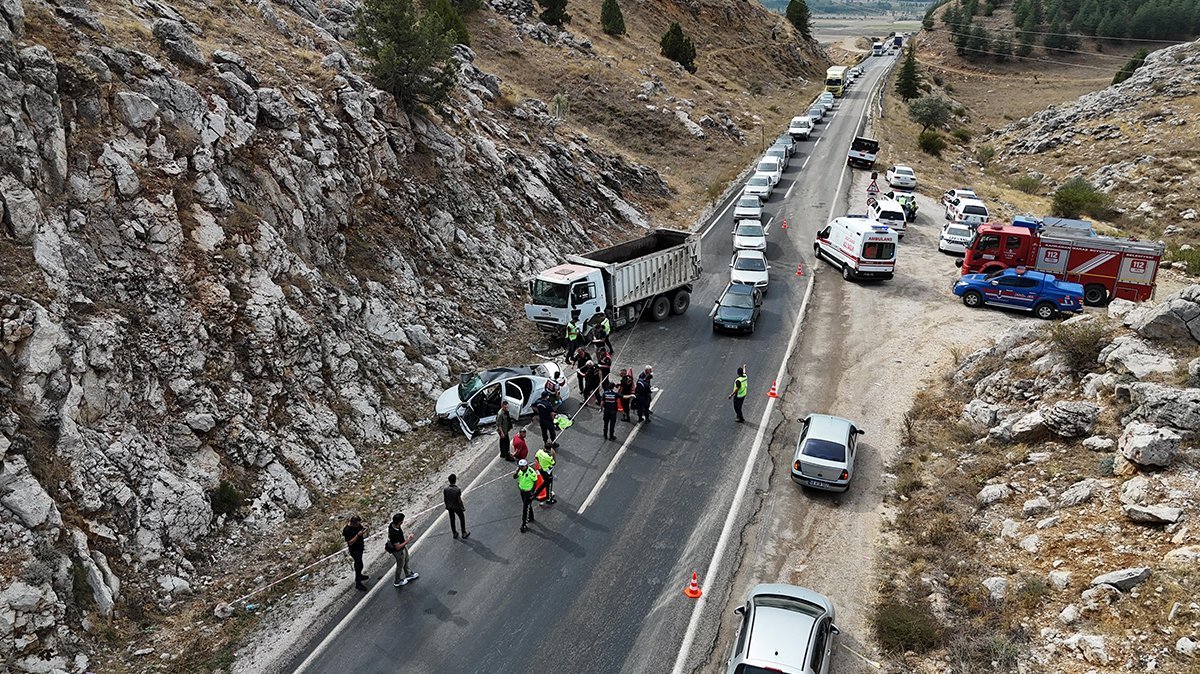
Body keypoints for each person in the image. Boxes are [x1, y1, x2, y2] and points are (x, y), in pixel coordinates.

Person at [386, 513, 418, 587]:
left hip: (402, 546)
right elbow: (397, 547)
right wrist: (408, 540)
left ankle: (408, 574)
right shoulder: (394, 534)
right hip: (398, 551)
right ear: (400, 522)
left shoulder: (393, 525)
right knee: (400, 565)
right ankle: (397, 581)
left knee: (406, 559)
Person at [342, 515, 368, 591]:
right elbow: (350, 542)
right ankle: (358, 582)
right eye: (356, 524)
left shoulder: (358, 525)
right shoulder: (347, 530)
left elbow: (360, 529)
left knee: (360, 564)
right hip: (354, 549)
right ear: (353, 523)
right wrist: (357, 535)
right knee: (358, 564)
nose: (358, 525)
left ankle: (359, 576)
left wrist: (363, 531)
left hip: (360, 547)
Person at [514, 459, 538, 532]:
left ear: (526, 466)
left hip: (528, 492)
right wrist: (517, 470)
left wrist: (532, 492)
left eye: (523, 467)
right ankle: (531, 517)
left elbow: (535, 481)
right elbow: (514, 477)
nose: (521, 468)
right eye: (520, 467)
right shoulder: (520, 471)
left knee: (525, 508)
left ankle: (524, 523)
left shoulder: (531, 472)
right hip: (522, 491)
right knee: (528, 506)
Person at [443, 474, 469, 540]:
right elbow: (459, 500)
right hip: (456, 507)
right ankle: (463, 533)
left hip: (450, 507)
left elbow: (445, 499)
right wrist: (462, 507)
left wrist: (447, 506)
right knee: (462, 518)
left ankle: (454, 533)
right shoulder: (457, 490)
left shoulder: (446, 489)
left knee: (452, 520)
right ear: (455, 480)